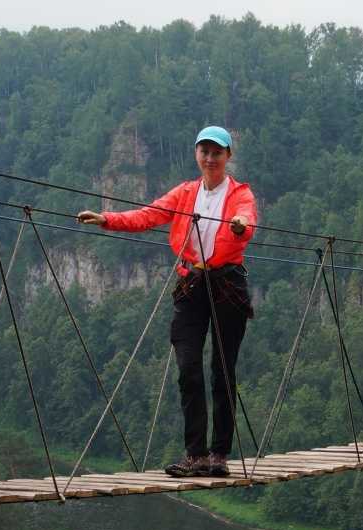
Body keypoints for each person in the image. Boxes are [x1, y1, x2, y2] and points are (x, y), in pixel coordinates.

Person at [76, 126, 258, 478]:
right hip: (192, 285)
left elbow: (246, 220)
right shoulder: (186, 193)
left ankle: (219, 455)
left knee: (223, 370)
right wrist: (106, 219)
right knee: (188, 368)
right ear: (196, 154)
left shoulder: (240, 194)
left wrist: (239, 226)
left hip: (227, 286)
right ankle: (196, 455)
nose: (210, 158)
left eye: (217, 152)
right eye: (204, 151)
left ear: (228, 156)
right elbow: (148, 215)